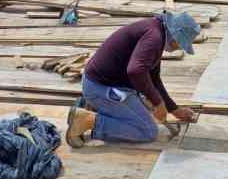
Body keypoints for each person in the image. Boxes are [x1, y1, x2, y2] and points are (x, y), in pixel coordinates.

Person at [65, 10, 200, 148]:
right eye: (181, 44)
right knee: (147, 131)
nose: (179, 48)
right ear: (175, 36)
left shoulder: (156, 31)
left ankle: (98, 108)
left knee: (144, 112)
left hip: (107, 84)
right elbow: (135, 71)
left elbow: (154, 79)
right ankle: (88, 120)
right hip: (100, 87)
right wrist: (158, 102)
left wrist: (173, 109)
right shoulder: (154, 38)